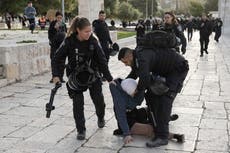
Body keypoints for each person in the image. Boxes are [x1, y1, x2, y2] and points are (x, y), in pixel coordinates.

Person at [52, 17, 113, 140]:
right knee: (78, 103)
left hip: (92, 75)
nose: (89, 33)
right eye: (86, 31)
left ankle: (101, 116)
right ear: (78, 30)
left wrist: (109, 78)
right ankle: (81, 130)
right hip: (76, 78)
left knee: (98, 100)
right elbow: (57, 58)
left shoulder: (93, 41)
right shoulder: (69, 41)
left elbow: (102, 61)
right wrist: (56, 75)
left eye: (90, 31)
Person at [117, 47, 189, 147]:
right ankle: (162, 119)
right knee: (151, 95)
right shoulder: (137, 58)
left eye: (125, 62)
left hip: (178, 69)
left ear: (130, 56)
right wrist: (120, 84)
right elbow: (134, 74)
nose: (125, 64)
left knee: (165, 100)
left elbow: (144, 79)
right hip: (167, 71)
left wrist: (136, 91)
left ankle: (163, 137)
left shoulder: (142, 58)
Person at [110, 78, 184, 144]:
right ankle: (175, 136)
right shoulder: (119, 102)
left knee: (151, 110)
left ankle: (166, 118)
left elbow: (138, 98)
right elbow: (121, 118)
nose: (136, 92)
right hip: (129, 124)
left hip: (134, 114)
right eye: (135, 91)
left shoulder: (125, 90)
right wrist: (127, 134)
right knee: (150, 129)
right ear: (128, 91)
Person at [48, 11, 67, 83]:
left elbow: (66, 34)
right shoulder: (52, 24)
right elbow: (50, 34)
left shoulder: (63, 25)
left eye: (61, 18)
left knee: (62, 61)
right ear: (56, 17)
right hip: (54, 46)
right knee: (54, 61)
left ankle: (61, 77)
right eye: (58, 17)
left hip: (62, 46)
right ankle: (54, 77)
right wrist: (55, 29)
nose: (59, 19)